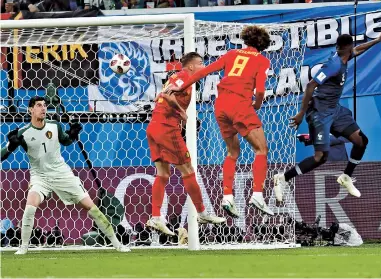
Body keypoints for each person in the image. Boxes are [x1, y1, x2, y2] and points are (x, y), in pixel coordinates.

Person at [165, 25, 274, 218]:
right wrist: (256, 105)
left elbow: (203, 72)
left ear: (246, 40)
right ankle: (257, 194)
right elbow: (261, 91)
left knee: (232, 152)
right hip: (240, 104)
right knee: (261, 149)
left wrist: (179, 86)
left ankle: (227, 197)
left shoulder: (231, 54)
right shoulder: (261, 60)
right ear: (263, 45)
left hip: (221, 105)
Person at [1, 96, 130, 254]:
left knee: (92, 208)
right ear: (30, 109)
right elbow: (3, 154)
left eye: (45, 106)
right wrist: (12, 144)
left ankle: (117, 244)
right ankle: (23, 247)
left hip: (62, 174)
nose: (43, 109)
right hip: (40, 176)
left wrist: (73, 133)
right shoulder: (23, 133)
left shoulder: (54, 126)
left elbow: (66, 141)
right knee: (30, 207)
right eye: (39, 106)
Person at [274, 31, 381, 201]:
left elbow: (357, 51)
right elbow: (310, 86)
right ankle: (282, 178)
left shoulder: (344, 54)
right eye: (351, 48)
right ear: (347, 47)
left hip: (335, 110)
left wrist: (377, 40)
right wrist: (301, 113)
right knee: (320, 157)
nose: (353, 51)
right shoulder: (333, 65)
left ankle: (346, 177)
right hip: (320, 113)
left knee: (361, 141)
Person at [146, 52, 226, 236]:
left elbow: (165, 93)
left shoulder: (178, 77)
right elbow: (166, 93)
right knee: (188, 171)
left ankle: (156, 217)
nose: (203, 66)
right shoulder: (184, 76)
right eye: (200, 63)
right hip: (166, 128)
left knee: (163, 174)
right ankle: (202, 213)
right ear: (190, 66)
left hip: (154, 127)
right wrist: (181, 112)